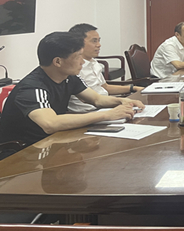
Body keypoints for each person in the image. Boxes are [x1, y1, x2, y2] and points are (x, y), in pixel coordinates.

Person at [0, 32, 144, 158]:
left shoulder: (69, 77)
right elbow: (50, 124)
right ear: (58, 61)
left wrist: (121, 102)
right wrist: (107, 115)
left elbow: (97, 99)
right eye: (78, 56)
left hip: (53, 141)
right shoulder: (32, 87)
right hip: (24, 152)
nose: (82, 62)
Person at [67, 24, 144, 113]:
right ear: (78, 43)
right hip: (88, 112)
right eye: (94, 41)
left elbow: (105, 87)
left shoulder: (93, 62)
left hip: (105, 105)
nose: (99, 45)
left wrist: (133, 88)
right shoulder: (73, 69)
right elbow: (93, 100)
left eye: (99, 41)